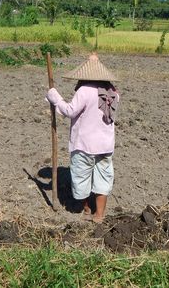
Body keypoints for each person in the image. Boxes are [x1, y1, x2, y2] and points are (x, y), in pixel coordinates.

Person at [46, 53, 119, 223]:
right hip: (105, 145)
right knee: (103, 178)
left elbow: (70, 111)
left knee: (82, 177)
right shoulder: (113, 92)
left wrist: (55, 97)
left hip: (84, 144)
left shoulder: (85, 91)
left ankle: (86, 209)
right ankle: (99, 215)